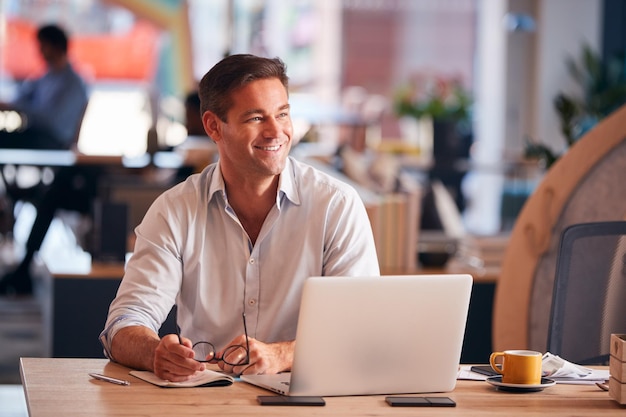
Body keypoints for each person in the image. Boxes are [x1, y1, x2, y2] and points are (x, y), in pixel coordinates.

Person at [99, 54, 380, 381]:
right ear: (213, 126)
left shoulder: (336, 205)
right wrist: (155, 352)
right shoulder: (175, 210)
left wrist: (280, 355)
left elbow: (359, 330)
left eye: (283, 114)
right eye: (256, 118)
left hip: (309, 399)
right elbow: (123, 324)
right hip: (206, 401)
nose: (276, 132)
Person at [0, 23, 88, 149]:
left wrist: (19, 107)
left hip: (52, 141)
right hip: (38, 136)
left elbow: (51, 121)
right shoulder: (46, 77)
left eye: (43, 46)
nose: (40, 51)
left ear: (56, 47)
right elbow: (22, 95)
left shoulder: (73, 83)